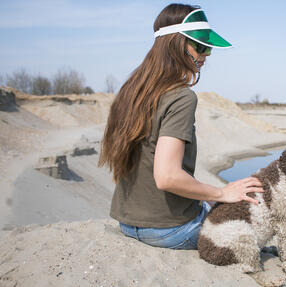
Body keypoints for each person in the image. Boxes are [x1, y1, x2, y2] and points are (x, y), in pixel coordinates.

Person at [98, 4, 263, 250]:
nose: (206, 55)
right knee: (252, 223)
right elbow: (167, 177)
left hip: (128, 223)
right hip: (170, 229)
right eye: (201, 46)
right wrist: (221, 193)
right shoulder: (181, 97)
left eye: (208, 48)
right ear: (177, 44)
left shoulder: (131, 92)